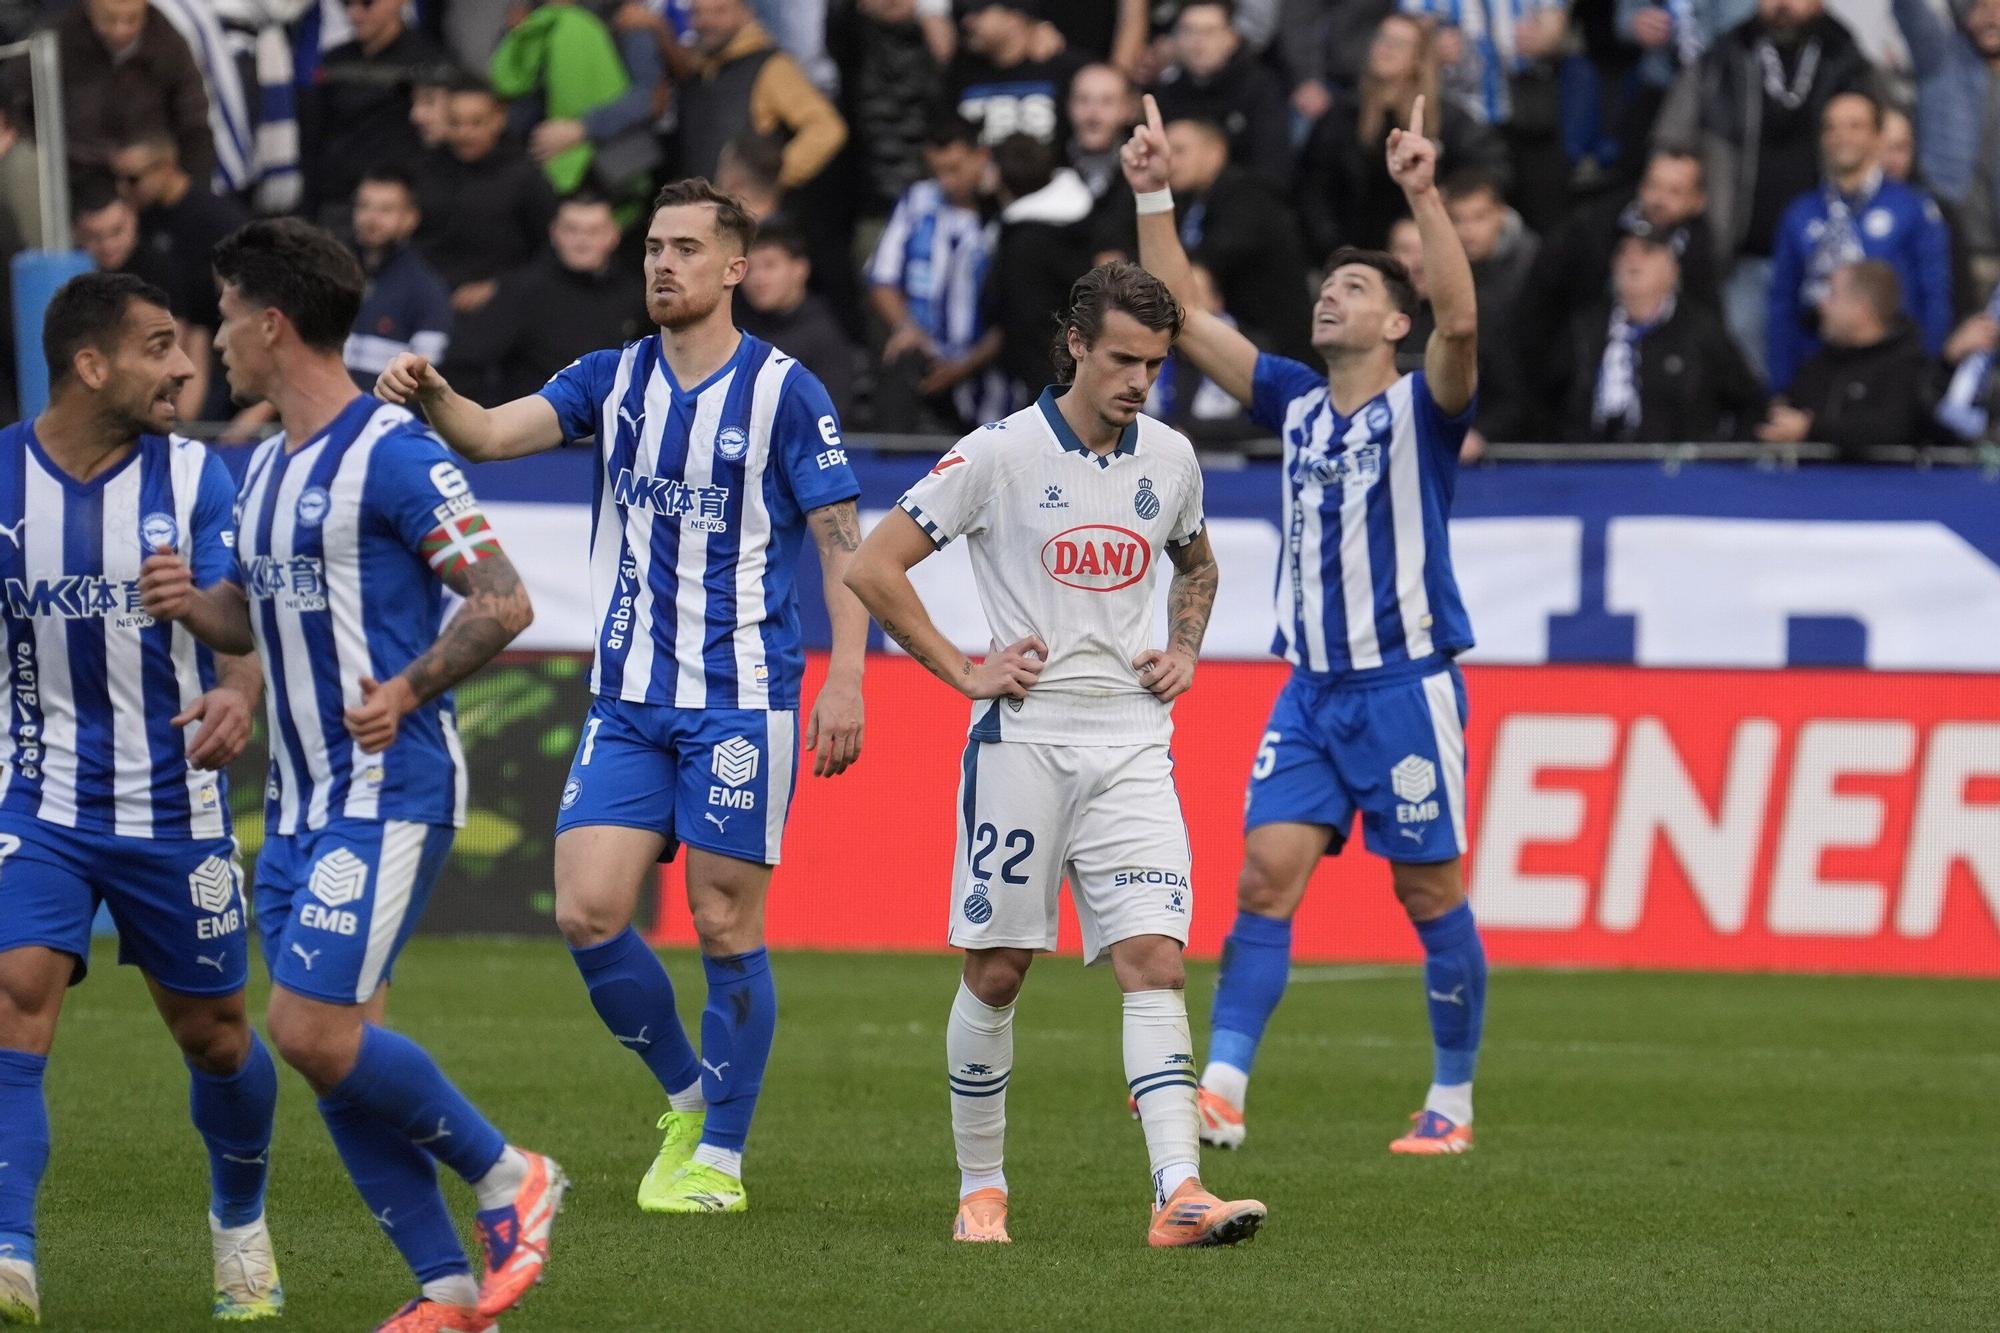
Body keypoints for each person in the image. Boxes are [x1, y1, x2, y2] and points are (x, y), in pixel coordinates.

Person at [372, 178, 870, 1218]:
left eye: (685, 248)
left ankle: (719, 1158)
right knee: (587, 909)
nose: (662, 264)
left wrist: (848, 676)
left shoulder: (786, 394)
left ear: (734, 268)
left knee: (723, 921)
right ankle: (689, 1097)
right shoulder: (613, 377)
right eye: (653, 247)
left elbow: (842, 549)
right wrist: (431, 393)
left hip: (742, 699)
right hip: (629, 696)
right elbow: (487, 434)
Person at [136, 219, 564, 1333]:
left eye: (226, 314)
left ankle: (511, 1173)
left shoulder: (394, 452)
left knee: (309, 1030)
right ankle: (449, 1291)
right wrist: (192, 605)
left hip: (390, 787)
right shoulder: (266, 468)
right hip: (296, 803)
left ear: (273, 324)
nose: (214, 338)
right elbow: (254, 618)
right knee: (338, 1050)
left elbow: (503, 599)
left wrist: (408, 689)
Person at [843, 260, 1265, 1247]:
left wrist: (1185, 647)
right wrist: (963, 668)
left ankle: (1178, 1191)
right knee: (997, 972)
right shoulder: (997, 453)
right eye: (1121, 359)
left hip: (1133, 742)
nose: (1138, 381)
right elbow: (874, 564)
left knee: (1155, 959)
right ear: (1074, 344)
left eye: (1154, 363)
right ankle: (980, 1188)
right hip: (1022, 742)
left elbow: (1197, 564)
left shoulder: (1171, 457)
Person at [1125, 92, 1489, 1154]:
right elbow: (1179, 316)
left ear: (1395, 323)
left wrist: (1422, 195)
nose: (1329, 295)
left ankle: (1452, 1101)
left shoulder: (1424, 406)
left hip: (1405, 686)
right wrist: (1153, 191)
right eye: (1327, 285)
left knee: (1427, 890)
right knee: (1261, 877)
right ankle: (1223, 1087)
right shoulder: (1290, 398)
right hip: (1310, 691)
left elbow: (1463, 324)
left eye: (1355, 287)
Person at [0, 272, 279, 1327]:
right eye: (159, 347)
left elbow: (243, 619)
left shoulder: (199, 477)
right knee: (15, 992)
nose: (184, 367)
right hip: (35, 799)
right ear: (90, 365)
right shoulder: (1, 481)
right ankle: (9, 1251)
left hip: (176, 806)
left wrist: (235, 691)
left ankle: (240, 1224)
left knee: (217, 1037)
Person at [1651, 0, 1877, 378]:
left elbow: (1888, 144)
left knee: (1830, 381)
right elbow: (1670, 144)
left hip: (1832, 264)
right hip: (1741, 258)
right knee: (1746, 378)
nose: (1783, 4)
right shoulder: (1722, 60)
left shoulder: (1848, 62)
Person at [1765, 92, 1952, 392]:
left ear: (1878, 137)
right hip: (1816, 372)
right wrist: (1781, 387)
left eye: (1855, 126)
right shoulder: (1800, 212)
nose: (1842, 136)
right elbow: (1782, 305)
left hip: (1893, 375)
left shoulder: (1913, 208)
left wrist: (1926, 377)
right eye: (1832, 127)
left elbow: (1934, 297)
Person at [1298, 12, 1507, 257]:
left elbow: (1490, 170)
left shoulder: (1449, 119)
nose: (1386, 48)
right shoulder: (1342, 115)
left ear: (1419, 57)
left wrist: (1441, 200)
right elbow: (1312, 186)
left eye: (1398, 43)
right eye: (1382, 38)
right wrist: (1336, 249)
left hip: (1429, 250)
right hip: (1354, 250)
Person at [445, 191, 652, 406]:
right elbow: (464, 361)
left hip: (611, 420)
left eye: (594, 231)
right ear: (554, 233)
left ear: (613, 235)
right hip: (534, 419)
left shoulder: (635, 295)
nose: (582, 241)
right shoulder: (522, 290)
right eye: (571, 230)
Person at [1553, 232, 1765, 441]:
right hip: (1591, 460)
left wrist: (1723, 456)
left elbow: (1750, 400)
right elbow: (1550, 396)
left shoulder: (1700, 330)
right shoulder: (1585, 329)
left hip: (1677, 461)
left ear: (1672, 269)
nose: (1632, 259)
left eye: (1647, 251)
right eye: (1622, 252)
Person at [867, 115, 1006, 430]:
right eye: (937, 171)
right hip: (921, 357)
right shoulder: (917, 201)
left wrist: (965, 365)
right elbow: (882, 279)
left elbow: (1017, 313)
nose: (945, 181)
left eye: (954, 169)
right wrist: (906, 327)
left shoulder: (1005, 212)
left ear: (980, 156)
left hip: (987, 367)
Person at [109, 131, 250, 417]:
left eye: (133, 179)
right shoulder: (141, 220)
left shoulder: (218, 220)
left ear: (166, 167)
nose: (123, 189)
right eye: (117, 179)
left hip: (218, 347)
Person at [1759, 259, 1941, 456]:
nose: (1822, 305)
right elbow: (1789, 410)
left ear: (1861, 308)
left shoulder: (1908, 367)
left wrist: (1812, 429)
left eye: (1832, 295)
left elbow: (1892, 427)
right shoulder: (1820, 364)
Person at [414, 76, 560, 314]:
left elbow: (550, 252)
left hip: (501, 306)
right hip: (428, 301)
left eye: (476, 123)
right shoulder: (426, 170)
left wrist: (499, 288)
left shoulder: (525, 177)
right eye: (455, 123)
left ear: (498, 119)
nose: (465, 133)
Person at [300, 0, 448, 222]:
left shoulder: (430, 63)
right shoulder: (333, 60)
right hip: (336, 203)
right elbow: (314, 137)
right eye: (347, 4)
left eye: (367, 3)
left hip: (398, 209)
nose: (355, 14)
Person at [675, 0, 849, 189]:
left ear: (746, 14)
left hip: (746, 205)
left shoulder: (771, 67)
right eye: (697, 13)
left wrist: (768, 179)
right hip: (704, 200)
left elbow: (826, 129)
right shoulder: (698, 69)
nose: (707, 22)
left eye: (720, 11)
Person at [1891, 0, 2000, 294]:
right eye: (1980, 7)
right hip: (1948, 250)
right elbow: (1909, 9)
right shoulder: (1940, 57)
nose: (1992, 17)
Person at [985, 133, 1097, 398]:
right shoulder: (1080, 222)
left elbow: (1024, 322)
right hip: (1073, 368)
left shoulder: (1023, 244)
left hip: (1041, 379)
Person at [53, 0, 214, 183]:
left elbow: (194, 121)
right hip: (79, 178)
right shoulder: (57, 43)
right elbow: (38, 124)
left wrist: (163, 157)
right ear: (90, 8)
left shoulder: (168, 42)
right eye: (109, 19)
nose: (121, 30)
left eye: (132, 19)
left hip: (160, 171)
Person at [1147, 0, 1290, 185]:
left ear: (1232, 37)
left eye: (1209, 32)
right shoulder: (1167, 94)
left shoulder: (1261, 90)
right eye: (1189, 31)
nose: (1198, 43)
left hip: (1241, 194)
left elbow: (1272, 169)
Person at [1441, 170, 1536, 442]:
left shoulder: (1533, 269)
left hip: (1521, 423)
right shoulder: (1437, 269)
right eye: (1457, 220)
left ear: (1501, 215)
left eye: (1479, 217)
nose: (1468, 231)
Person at [344, 167, 453, 393]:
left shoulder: (426, 290)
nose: (371, 218)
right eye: (363, 206)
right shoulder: (335, 273)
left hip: (388, 412)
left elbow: (425, 382)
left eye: (386, 210)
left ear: (411, 218)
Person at [735, 220, 859, 419]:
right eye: (749, 270)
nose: (757, 278)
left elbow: (831, 414)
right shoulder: (735, 328)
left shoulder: (824, 334)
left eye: (769, 265)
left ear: (800, 269)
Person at [947, 0, 1087, 147]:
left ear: (1014, 17)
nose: (967, 21)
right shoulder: (961, 71)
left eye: (979, 12)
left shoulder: (1067, 70)